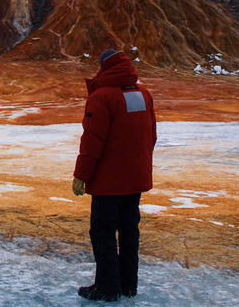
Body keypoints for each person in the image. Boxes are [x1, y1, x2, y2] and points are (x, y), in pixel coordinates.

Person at [72, 49, 157, 302]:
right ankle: (128, 284)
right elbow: (151, 135)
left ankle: (107, 287)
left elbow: (92, 142)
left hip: (109, 182)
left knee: (103, 231)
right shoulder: (143, 93)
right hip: (135, 178)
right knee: (130, 229)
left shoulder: (102, 97)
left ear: (103, 68)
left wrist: (81, 175)